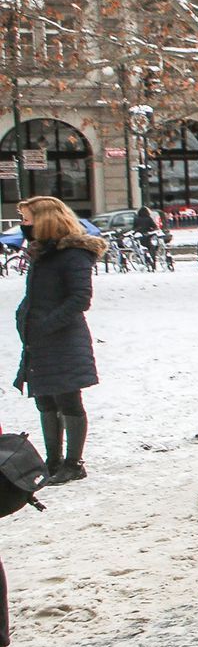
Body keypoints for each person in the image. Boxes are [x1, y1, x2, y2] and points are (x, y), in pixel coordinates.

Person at [13, 197, 104, 486]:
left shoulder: (73, 254)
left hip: (63, 338)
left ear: (45, 220)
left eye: (27, 220)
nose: (24, 225)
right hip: (38, 338)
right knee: (45, 399)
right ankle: (52, 462)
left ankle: (73, 463)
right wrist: (25, 318)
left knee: (67, 399)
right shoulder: (41, 253)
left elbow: (80, 299)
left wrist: (47, 324)